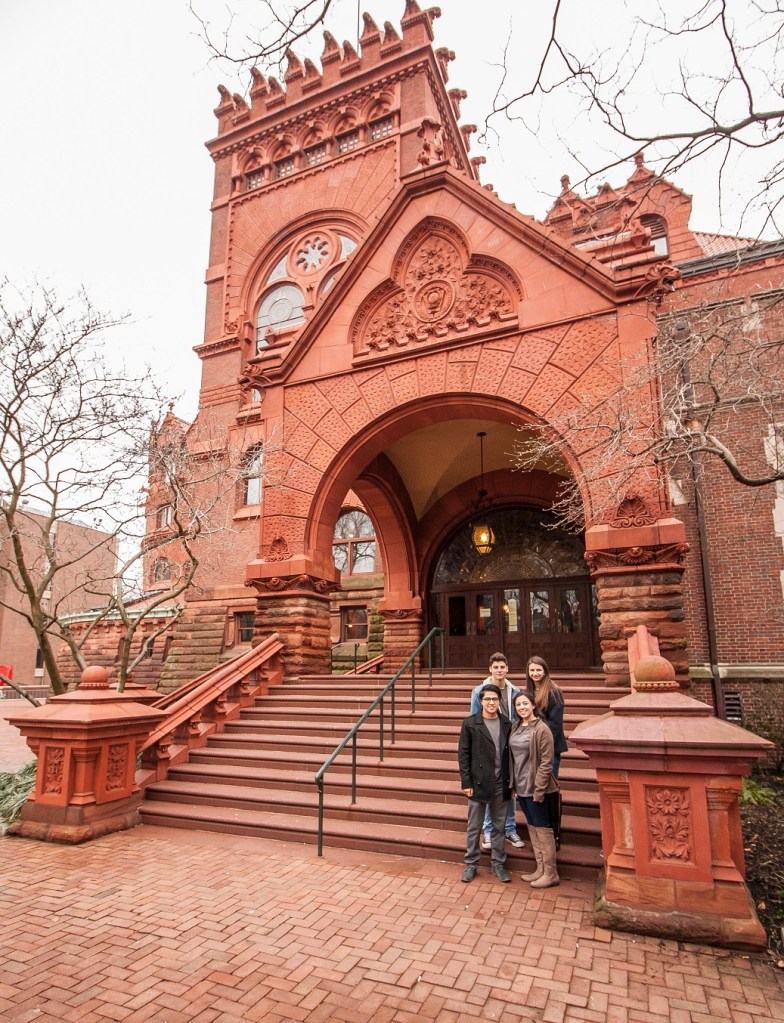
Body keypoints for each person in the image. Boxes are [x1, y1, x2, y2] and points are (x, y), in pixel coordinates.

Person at [457, 683, 512, 883]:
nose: (491, 703)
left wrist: (511, 784)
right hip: (478, 782)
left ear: (499, 702)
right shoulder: (470, 723)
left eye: (495, 699)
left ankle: (498, 863)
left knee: (499, 826)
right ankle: (471, 864)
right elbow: (463, 754)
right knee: (474, 826)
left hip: (501, 782)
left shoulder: (507, 723)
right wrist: (466, 782)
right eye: (487, 699)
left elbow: (511, 756)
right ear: (480, 701)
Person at [469, 652, 524, 850]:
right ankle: (489, 830)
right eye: (496, 667)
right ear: (490, 669)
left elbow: (519, 716)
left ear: (507, 669)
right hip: (487, 746)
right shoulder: (478, 691)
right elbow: (474, 719)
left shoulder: (515, 690)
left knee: (508, 788)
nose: (499, 670)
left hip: (508, 745)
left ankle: (510, 828)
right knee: (487, 788)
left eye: (502, 667)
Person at [509, 690, 560, 888]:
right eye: (518, 705)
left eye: (525, 704)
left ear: (532, 705)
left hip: (537, 787)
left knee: (543, 828)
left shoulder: (541, 729)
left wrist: (539, 789)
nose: (521, 707)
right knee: (532, 826)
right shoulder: (515, 727)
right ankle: (540, 869)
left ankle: (551, 872)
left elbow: (547, 762)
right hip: (521, 786)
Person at [526, 655, 568, 777]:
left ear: (545, 671)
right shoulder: (528, 691)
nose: (535, 673)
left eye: (538, 670)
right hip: (532, 743)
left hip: (549, 744)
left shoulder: (553, 691)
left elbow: (555, 723)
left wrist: (541, 741)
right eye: (532, 670)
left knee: (549, 782)